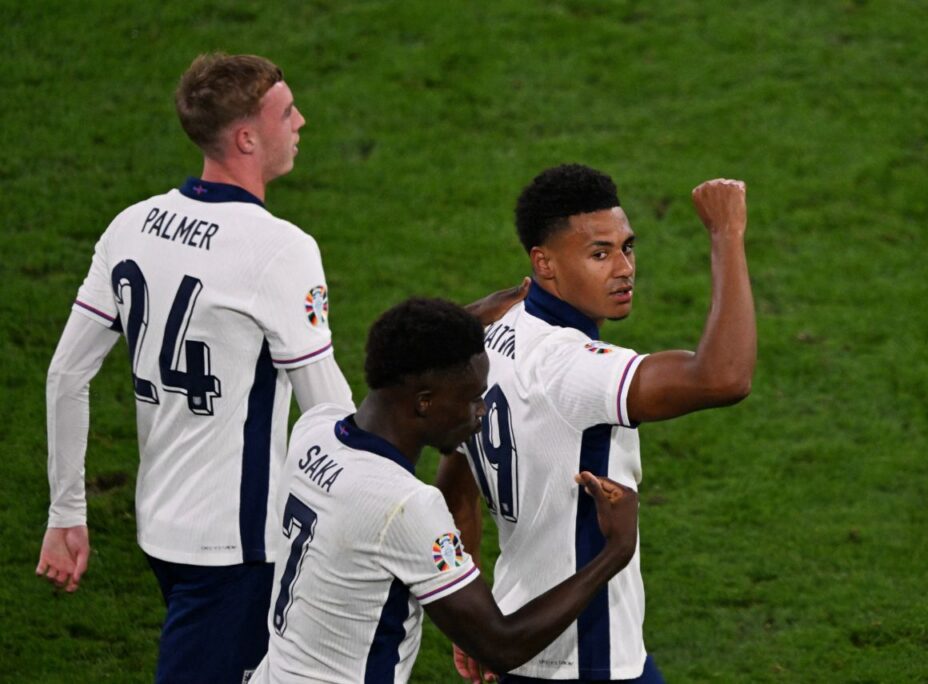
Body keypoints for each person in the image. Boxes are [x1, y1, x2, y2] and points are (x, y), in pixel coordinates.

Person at [34, 53, 524, 683]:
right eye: (286, 112)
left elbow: (66, 375)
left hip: (159, 525)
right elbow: (331, 404)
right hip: (239, 545)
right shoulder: (279, 249)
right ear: (245, 137)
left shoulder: (132, 226)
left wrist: (66, 513)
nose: (301, 121)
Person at [436, 164, 757, 682]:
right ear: (544, 263)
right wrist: (726, 233)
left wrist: (469, 619)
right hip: (589, 657)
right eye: (599, 254)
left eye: (627, 247)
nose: (624, 268)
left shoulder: (490, 334)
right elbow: (724, 376)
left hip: (516, 634)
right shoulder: (571, 366)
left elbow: (455, 479)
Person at [249, 298, 639, 683]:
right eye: (472, 398)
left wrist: (464, 321)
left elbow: (407, 356)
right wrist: (614, 552)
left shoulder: (313, 430)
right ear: (424, 403)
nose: (482, 411)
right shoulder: (404, 506)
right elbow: (502, 646)